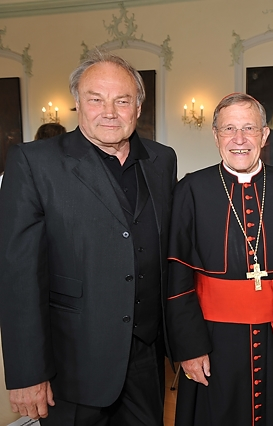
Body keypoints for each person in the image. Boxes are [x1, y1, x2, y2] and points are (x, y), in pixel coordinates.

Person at [0, 49, 177, 425]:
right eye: (96, 99)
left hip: (145, 359)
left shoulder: (162, 160)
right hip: (72, 365)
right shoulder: (35, 162)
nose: (109, 112)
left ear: (138, 107)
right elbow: (19, 276)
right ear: (77, 103)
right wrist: (27, 373)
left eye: (122, 100)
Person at [166, 93, 273, 426]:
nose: (239, 139)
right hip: (212, 338)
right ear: (215, 136)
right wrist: (190, 347)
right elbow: (178, 278)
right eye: (229, 129)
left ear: (264, 135)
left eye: (249, 128)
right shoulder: (191, 190)